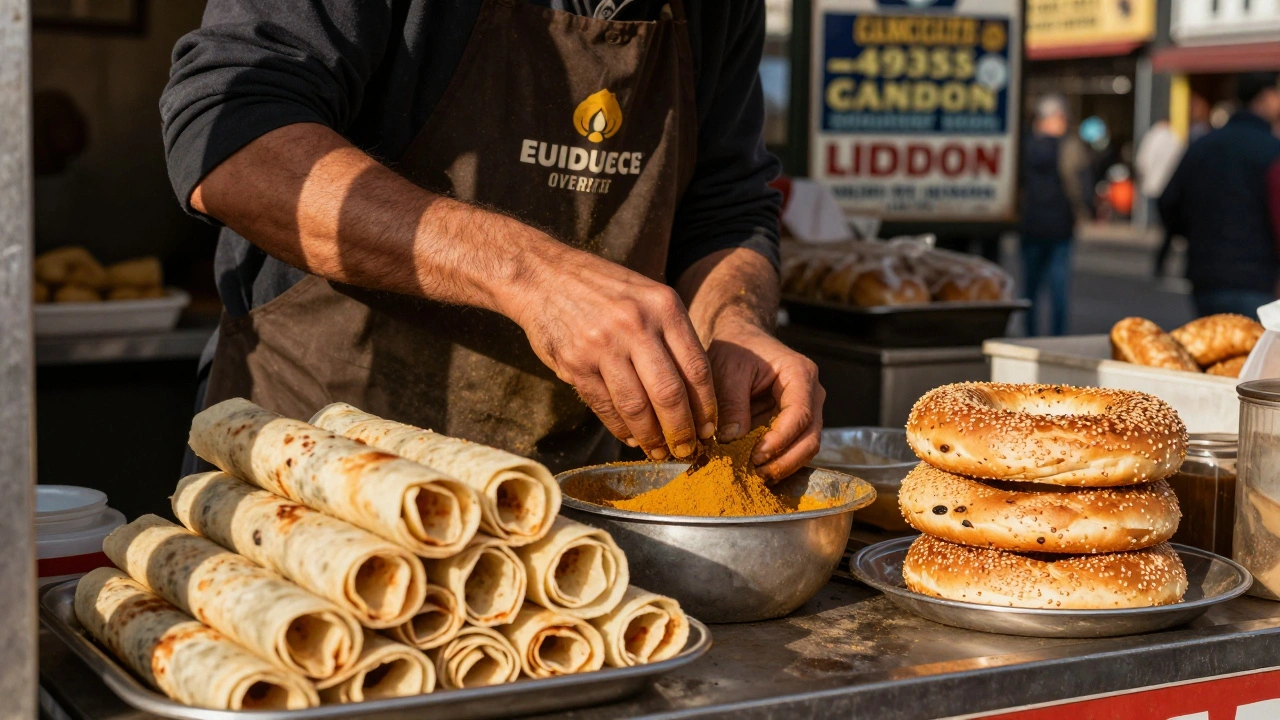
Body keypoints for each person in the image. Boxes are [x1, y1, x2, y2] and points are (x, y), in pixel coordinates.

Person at [161, 1, 823, 480]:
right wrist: (530, 274)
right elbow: (231, 143)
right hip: (318, 472)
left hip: (564, 504)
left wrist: (733, 323)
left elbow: (725, 210)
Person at [1160, 72, 1280, 320]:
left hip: (1206, 274)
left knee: (1213, 352)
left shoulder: (1203, 145)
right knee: (1256, 355)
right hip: (1258, 276)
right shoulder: (1271, 150)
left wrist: (1195, 235)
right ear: (1264, 97)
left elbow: (1169, 201)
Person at [1019, 95, 1090, 336]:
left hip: (1031, 224)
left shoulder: (1023, 147)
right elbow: (1080, 185)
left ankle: (1030, 335)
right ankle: (1057, 337)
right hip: (1060, 225)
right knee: (1058, 289)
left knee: (1031, 289)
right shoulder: (1068, 146)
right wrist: (1082, 211)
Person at [1138, 120, 1185, 276]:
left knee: (1163, 225)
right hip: (1169, 187)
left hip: (1154, 185)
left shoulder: (1152, 138)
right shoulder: (1174, 139)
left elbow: (1142, 161)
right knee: (1168, 227)